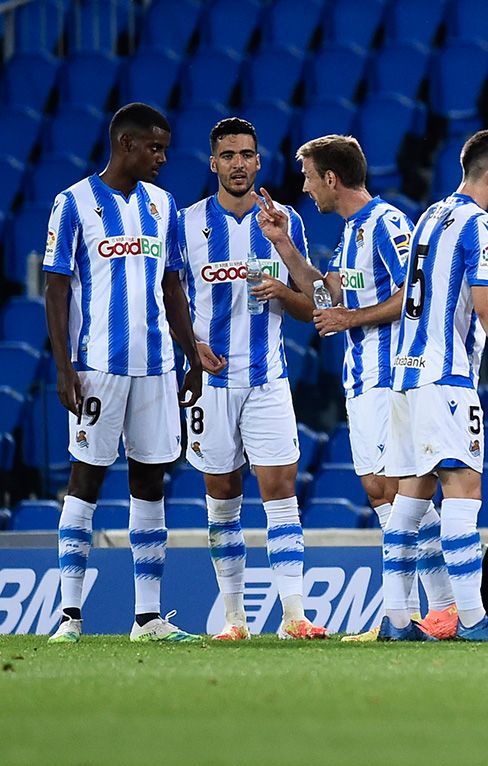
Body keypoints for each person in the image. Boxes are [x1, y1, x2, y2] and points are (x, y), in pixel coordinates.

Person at [257, 135, 457, 641]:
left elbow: (417, 291)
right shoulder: (350, 234)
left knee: (399, 489)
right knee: (378, 489)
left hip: (392, 376)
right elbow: (325, 293)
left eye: (308, 177)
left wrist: (353, 318)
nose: (305, 189)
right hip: (362, 378)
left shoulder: (387, 223)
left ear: (331, 178)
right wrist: (283, 243)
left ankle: (438, 608)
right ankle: (425, 611)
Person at [45, 103, 205, 643]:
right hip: (98, 367)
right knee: (85, 480)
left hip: (158, 367)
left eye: (164, 148)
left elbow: (172, 286)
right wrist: (64, 366)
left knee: (150, 482)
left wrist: (191, 355)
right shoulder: (73, 204)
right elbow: (57, 288)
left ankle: (147, 618)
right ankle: (69, 616)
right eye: (154, 148)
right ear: (125, 144)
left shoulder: (164, 205)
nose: (162, 158)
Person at [381, 129, 488, 642]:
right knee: (464, 491)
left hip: (405, 372)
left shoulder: (431, 215)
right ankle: (476, 620)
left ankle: (393, 620)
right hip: (445, 374)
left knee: (411, 496)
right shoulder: (481, 225)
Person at [178, 117, 327, 641]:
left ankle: (294, 615)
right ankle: (235, 618)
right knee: (222, 495)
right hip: (211, 385)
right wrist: (189, 345)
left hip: (268, 379)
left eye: (247, 154)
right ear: (213, 162)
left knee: (280, 490)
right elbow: (166, 299)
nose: (238, 163)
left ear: (260, 162)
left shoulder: (284, 219)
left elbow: (316, 306)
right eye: (228, 155)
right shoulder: (187, 224)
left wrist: (286, 280)